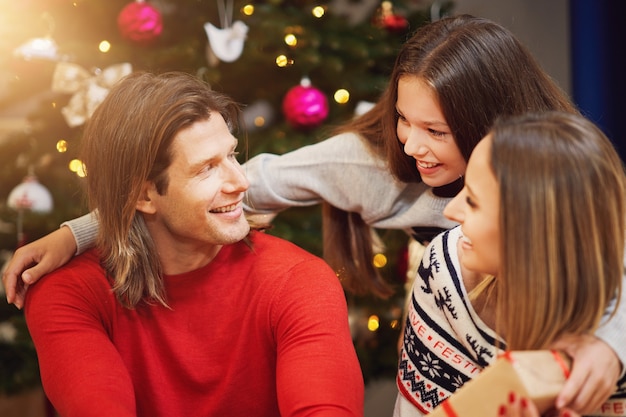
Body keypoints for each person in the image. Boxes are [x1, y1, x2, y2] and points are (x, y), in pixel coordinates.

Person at [2, 14, 624, 413]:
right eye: (401, 119)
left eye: (434, 129)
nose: (409, 143)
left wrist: (611, 347)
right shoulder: (383, 174)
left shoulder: (575, 190)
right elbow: (231, 188)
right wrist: (79, 232)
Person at [22, 71, 364, 417]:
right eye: (206, 169)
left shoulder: (299, 282)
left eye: (232, 155)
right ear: (144, 195)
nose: (241, 181)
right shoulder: (68, 293)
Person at [395, 111, 626, 417]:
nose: (451, 210)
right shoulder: (443, 271)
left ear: (532, 231)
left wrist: (611, 344)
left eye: (474, 201)